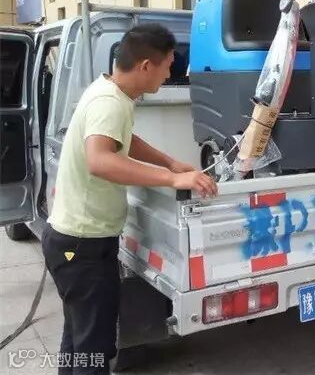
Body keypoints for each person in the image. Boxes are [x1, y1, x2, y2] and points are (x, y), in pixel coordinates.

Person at [41, 23, 218, 374]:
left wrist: (170, 161)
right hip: (82, 248)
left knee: (79, 339)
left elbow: (125, 140)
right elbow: (100, 160)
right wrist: (173, 178)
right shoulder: (109, 102)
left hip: (77, 243)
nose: (169, 75)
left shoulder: (111, 92)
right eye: (168, 66)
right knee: (94, 347)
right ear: (146, 66)